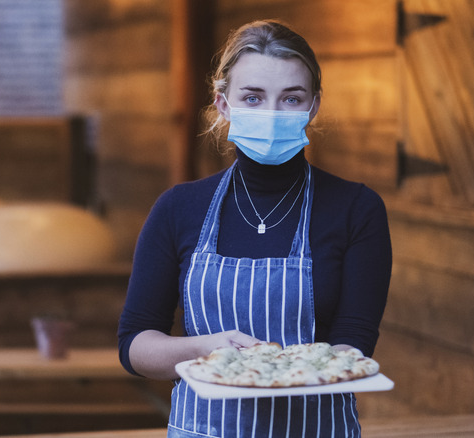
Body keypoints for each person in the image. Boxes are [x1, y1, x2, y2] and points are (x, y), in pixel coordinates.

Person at [118, 19, 391, 438]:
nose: (271, 114)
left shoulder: (356, 209)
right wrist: (203, 350)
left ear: (313, 106)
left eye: (291, 98)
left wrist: (281, 372)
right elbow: (135, 345)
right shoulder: (178, 209)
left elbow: (354, 342)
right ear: (223, 103)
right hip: (204, 430)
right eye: (253, 97)